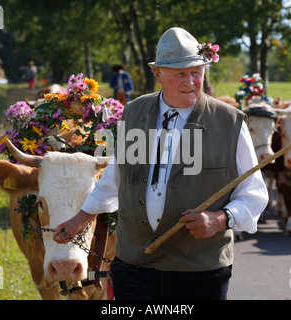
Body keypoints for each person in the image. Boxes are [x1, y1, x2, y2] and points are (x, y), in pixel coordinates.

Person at [53, 27, 268, 300]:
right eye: (180, 73)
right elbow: (117, 179)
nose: (190, 81)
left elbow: (253, 193)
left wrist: (220, 219)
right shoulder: (134, 112)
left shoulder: (230, 122)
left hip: (199, 269)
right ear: (158, 74)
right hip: (134, 262)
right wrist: (80, 219)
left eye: (196, 72)